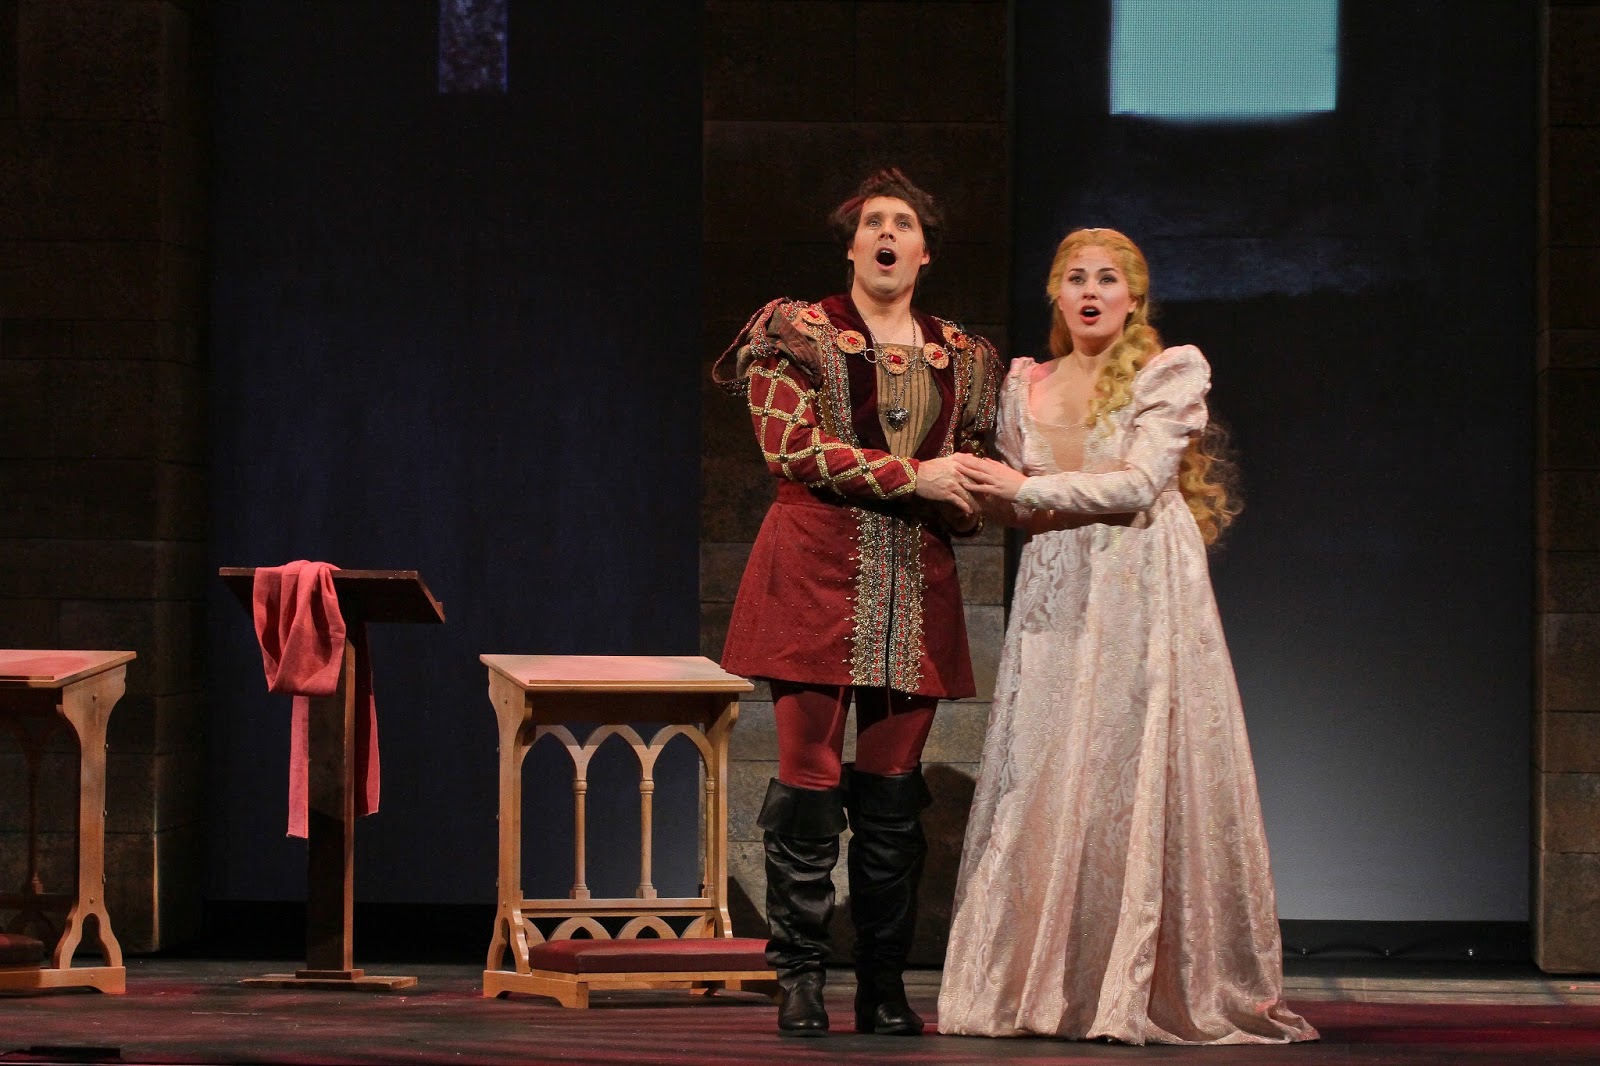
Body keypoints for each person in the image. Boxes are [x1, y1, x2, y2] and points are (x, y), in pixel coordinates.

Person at [937, 228, 1317, 1045]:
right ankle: (1051, 985)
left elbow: (1142, 481)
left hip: (1139, 578)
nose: (1091, 291)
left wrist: (1025, 487)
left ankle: (1140, 982)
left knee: (1133, 760)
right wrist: (970, 491)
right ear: (1055, 293)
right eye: (1075, 277)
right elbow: (1012, 499)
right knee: (1049, 761)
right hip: (1054, 585)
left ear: (1133, 299)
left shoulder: (1164, 370)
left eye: (1108, 279)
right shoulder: (1022, 384)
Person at [713, 168, 1000, 1037]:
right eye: (871, 222)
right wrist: (919, 476)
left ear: (923, 250)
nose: (885, 233)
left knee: (891, 795)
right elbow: (789, 448)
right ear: (851, 247)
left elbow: (975, 464)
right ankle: (800, 977)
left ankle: (882, 983)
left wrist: (970, 495)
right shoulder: (797, 331)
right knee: (806, 784)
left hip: (915, 581)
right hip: (813, 572)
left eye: (901, 222)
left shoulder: (964, 354)